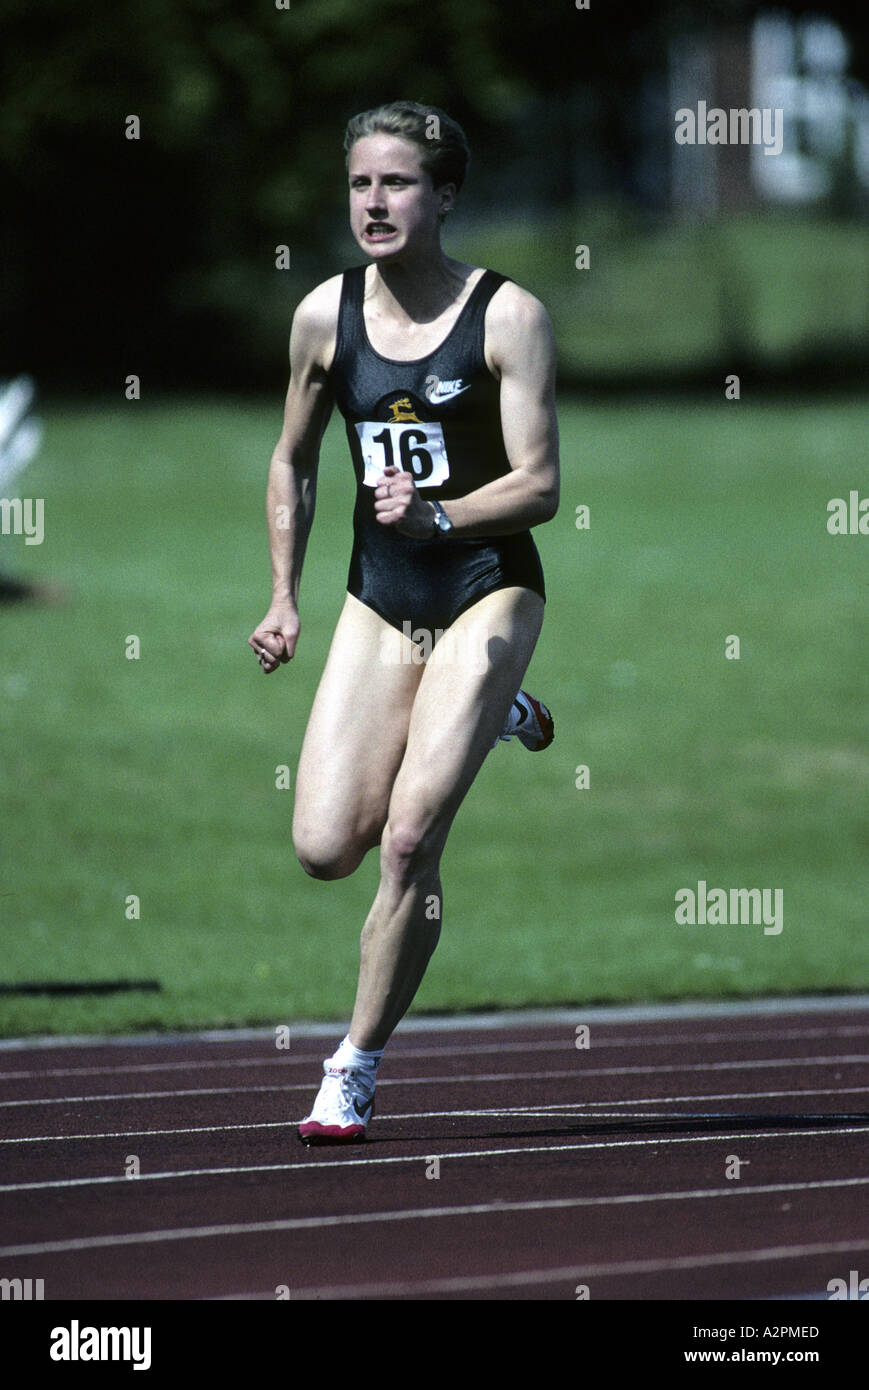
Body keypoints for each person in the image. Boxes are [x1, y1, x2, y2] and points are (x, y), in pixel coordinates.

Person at [248, 101, 560, 1144]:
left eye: (396, 183)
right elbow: (292, 459)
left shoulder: (507, 316)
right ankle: (496, 709)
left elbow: (540, 485)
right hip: (379, 596)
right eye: (359, 183)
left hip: (485, 586)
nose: (373, 203)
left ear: (445, 195)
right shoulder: (322, 316)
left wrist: (441, 515)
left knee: (410, 837)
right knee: (323, 845)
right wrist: (284, 595)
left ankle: (353, 1065)